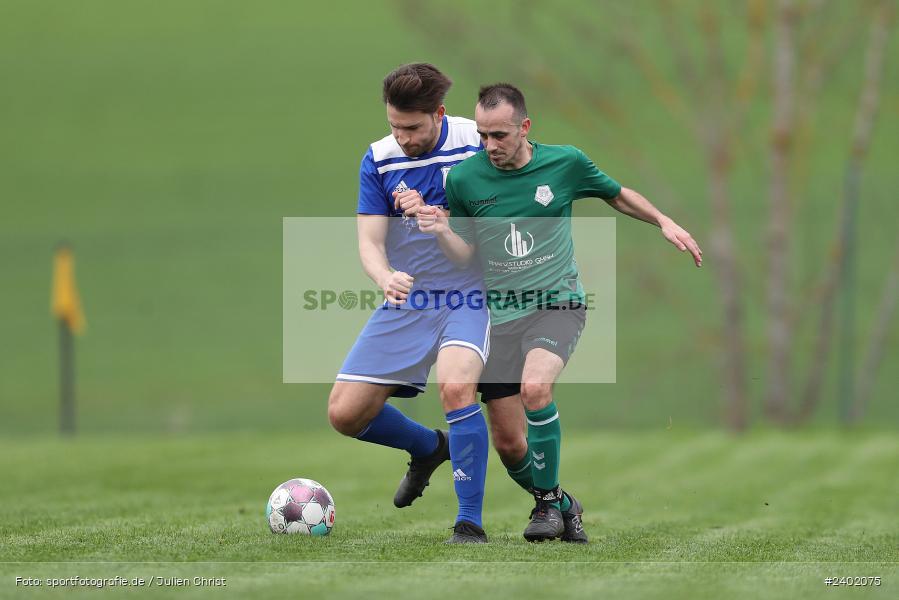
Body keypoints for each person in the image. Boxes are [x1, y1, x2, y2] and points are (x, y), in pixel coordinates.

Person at [419, 83, 703, 542]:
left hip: (557, 304)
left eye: (501, 135)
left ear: (525, 127)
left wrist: (664, 222)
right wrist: (440, 231)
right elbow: (465, 254)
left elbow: (617, 193)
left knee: (536, 387)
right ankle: (562, 505)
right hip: (499, 318)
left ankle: (546, 509)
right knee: (511, 446)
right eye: (484, 136)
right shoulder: (465, 180)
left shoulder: (565, 162)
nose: (490, 146)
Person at [327, 63, 491, 544]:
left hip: (469, 291)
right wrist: (384, 276)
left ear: (439, 114)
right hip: (410, 296)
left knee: (456, 389)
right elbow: (370, 243)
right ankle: (429, 448)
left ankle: (469, 522)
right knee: (345, 414)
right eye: (394, 125)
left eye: (413, 128)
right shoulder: (378, 159)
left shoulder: (475, 142)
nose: (402, 137)